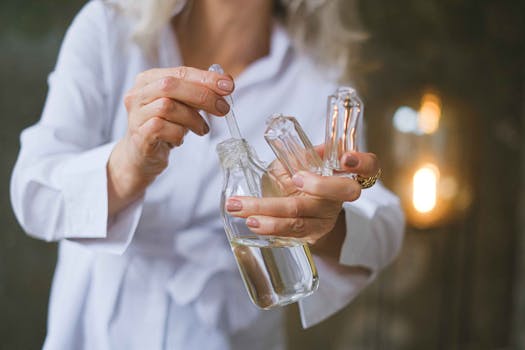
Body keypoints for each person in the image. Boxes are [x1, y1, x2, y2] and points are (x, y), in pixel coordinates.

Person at [10, 0, 405, 349]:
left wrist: (324, 220)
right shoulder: (109, 27)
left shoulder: (319, 76)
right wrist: (128, 163)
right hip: (97, 332)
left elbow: (381, 227)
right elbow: (34, 194)